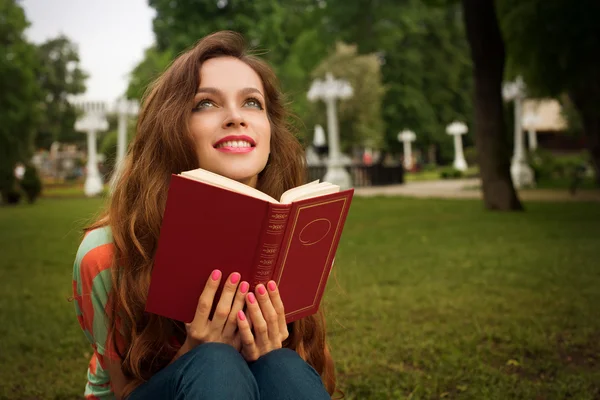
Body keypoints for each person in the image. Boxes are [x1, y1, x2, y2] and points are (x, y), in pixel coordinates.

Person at [72, 31, 337, 400]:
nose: (235, 117)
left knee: (282, 365)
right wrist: (193, 352)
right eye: (206, 104)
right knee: (216, 362)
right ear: (172, 127)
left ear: (270, 130)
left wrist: (268, 350)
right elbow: (121, 390)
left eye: (252, 103)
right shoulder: (108, 253)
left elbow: (303, 373)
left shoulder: (288, 231)